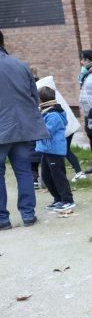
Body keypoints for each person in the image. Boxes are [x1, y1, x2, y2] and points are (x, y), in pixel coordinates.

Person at [0, 30, 50, 230]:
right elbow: (34, 97)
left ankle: (3, 219)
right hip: (22, 128)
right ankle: (28, 214)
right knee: (24, 172)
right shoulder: (21, 65)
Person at [36, 76, 85, 180]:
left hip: (64, 128)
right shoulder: (50, 92)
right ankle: (76, 172)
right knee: (65, 151)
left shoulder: (45, 94)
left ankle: (79, 172)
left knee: (64, 151)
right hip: (67, 126)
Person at [35, 87, 75, 212]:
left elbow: (46, 132)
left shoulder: (53, 115)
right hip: (46, 150)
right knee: (46, 177)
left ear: (41, 99)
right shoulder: (45, 112)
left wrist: (35, 123)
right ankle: (58, 199)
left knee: (58, 176)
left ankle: (68, 200)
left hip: (54, 151)